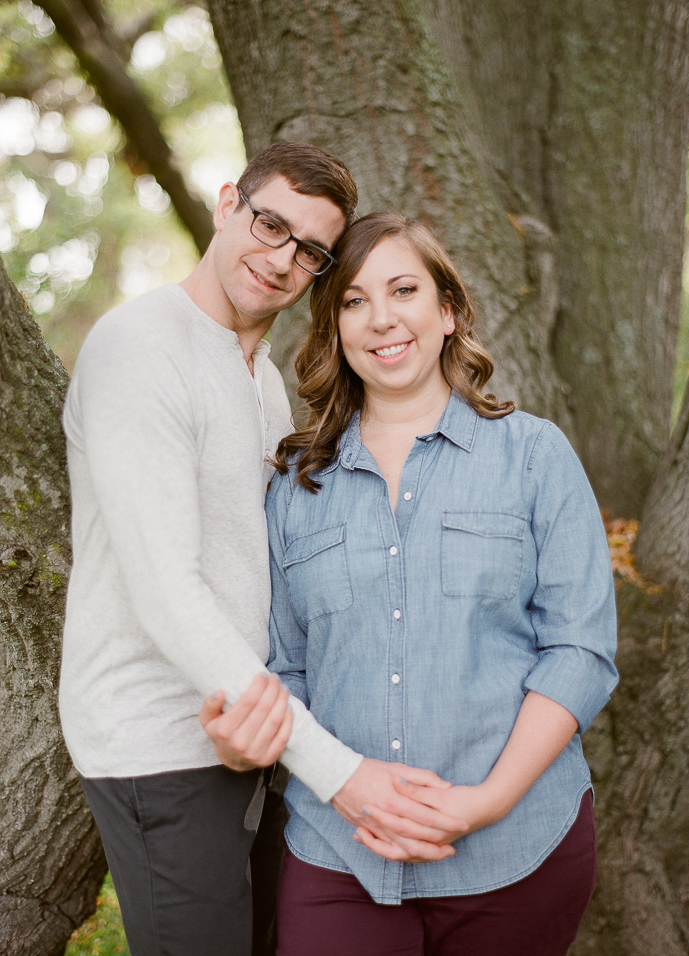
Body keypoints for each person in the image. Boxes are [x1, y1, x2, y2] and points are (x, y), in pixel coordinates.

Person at [59, 145, 448, 956]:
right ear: (229, 202)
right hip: (160, 743)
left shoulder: (263, 380)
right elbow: (166, 588)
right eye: (270, 225)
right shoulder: (142, 347)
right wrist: (340, 773)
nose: (280, 261)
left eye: (309, 252)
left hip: (257, 737)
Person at [224, 212, 618, 955]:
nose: (382, 319)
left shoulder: (533, 456)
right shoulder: (293, 488)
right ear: (334, 327)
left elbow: (579, 649)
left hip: (518, 848)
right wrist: (345, 785)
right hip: (338, 850)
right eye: (353, 300)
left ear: (447, 311)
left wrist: (483, 803)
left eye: (404, 289)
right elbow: (285, 671)